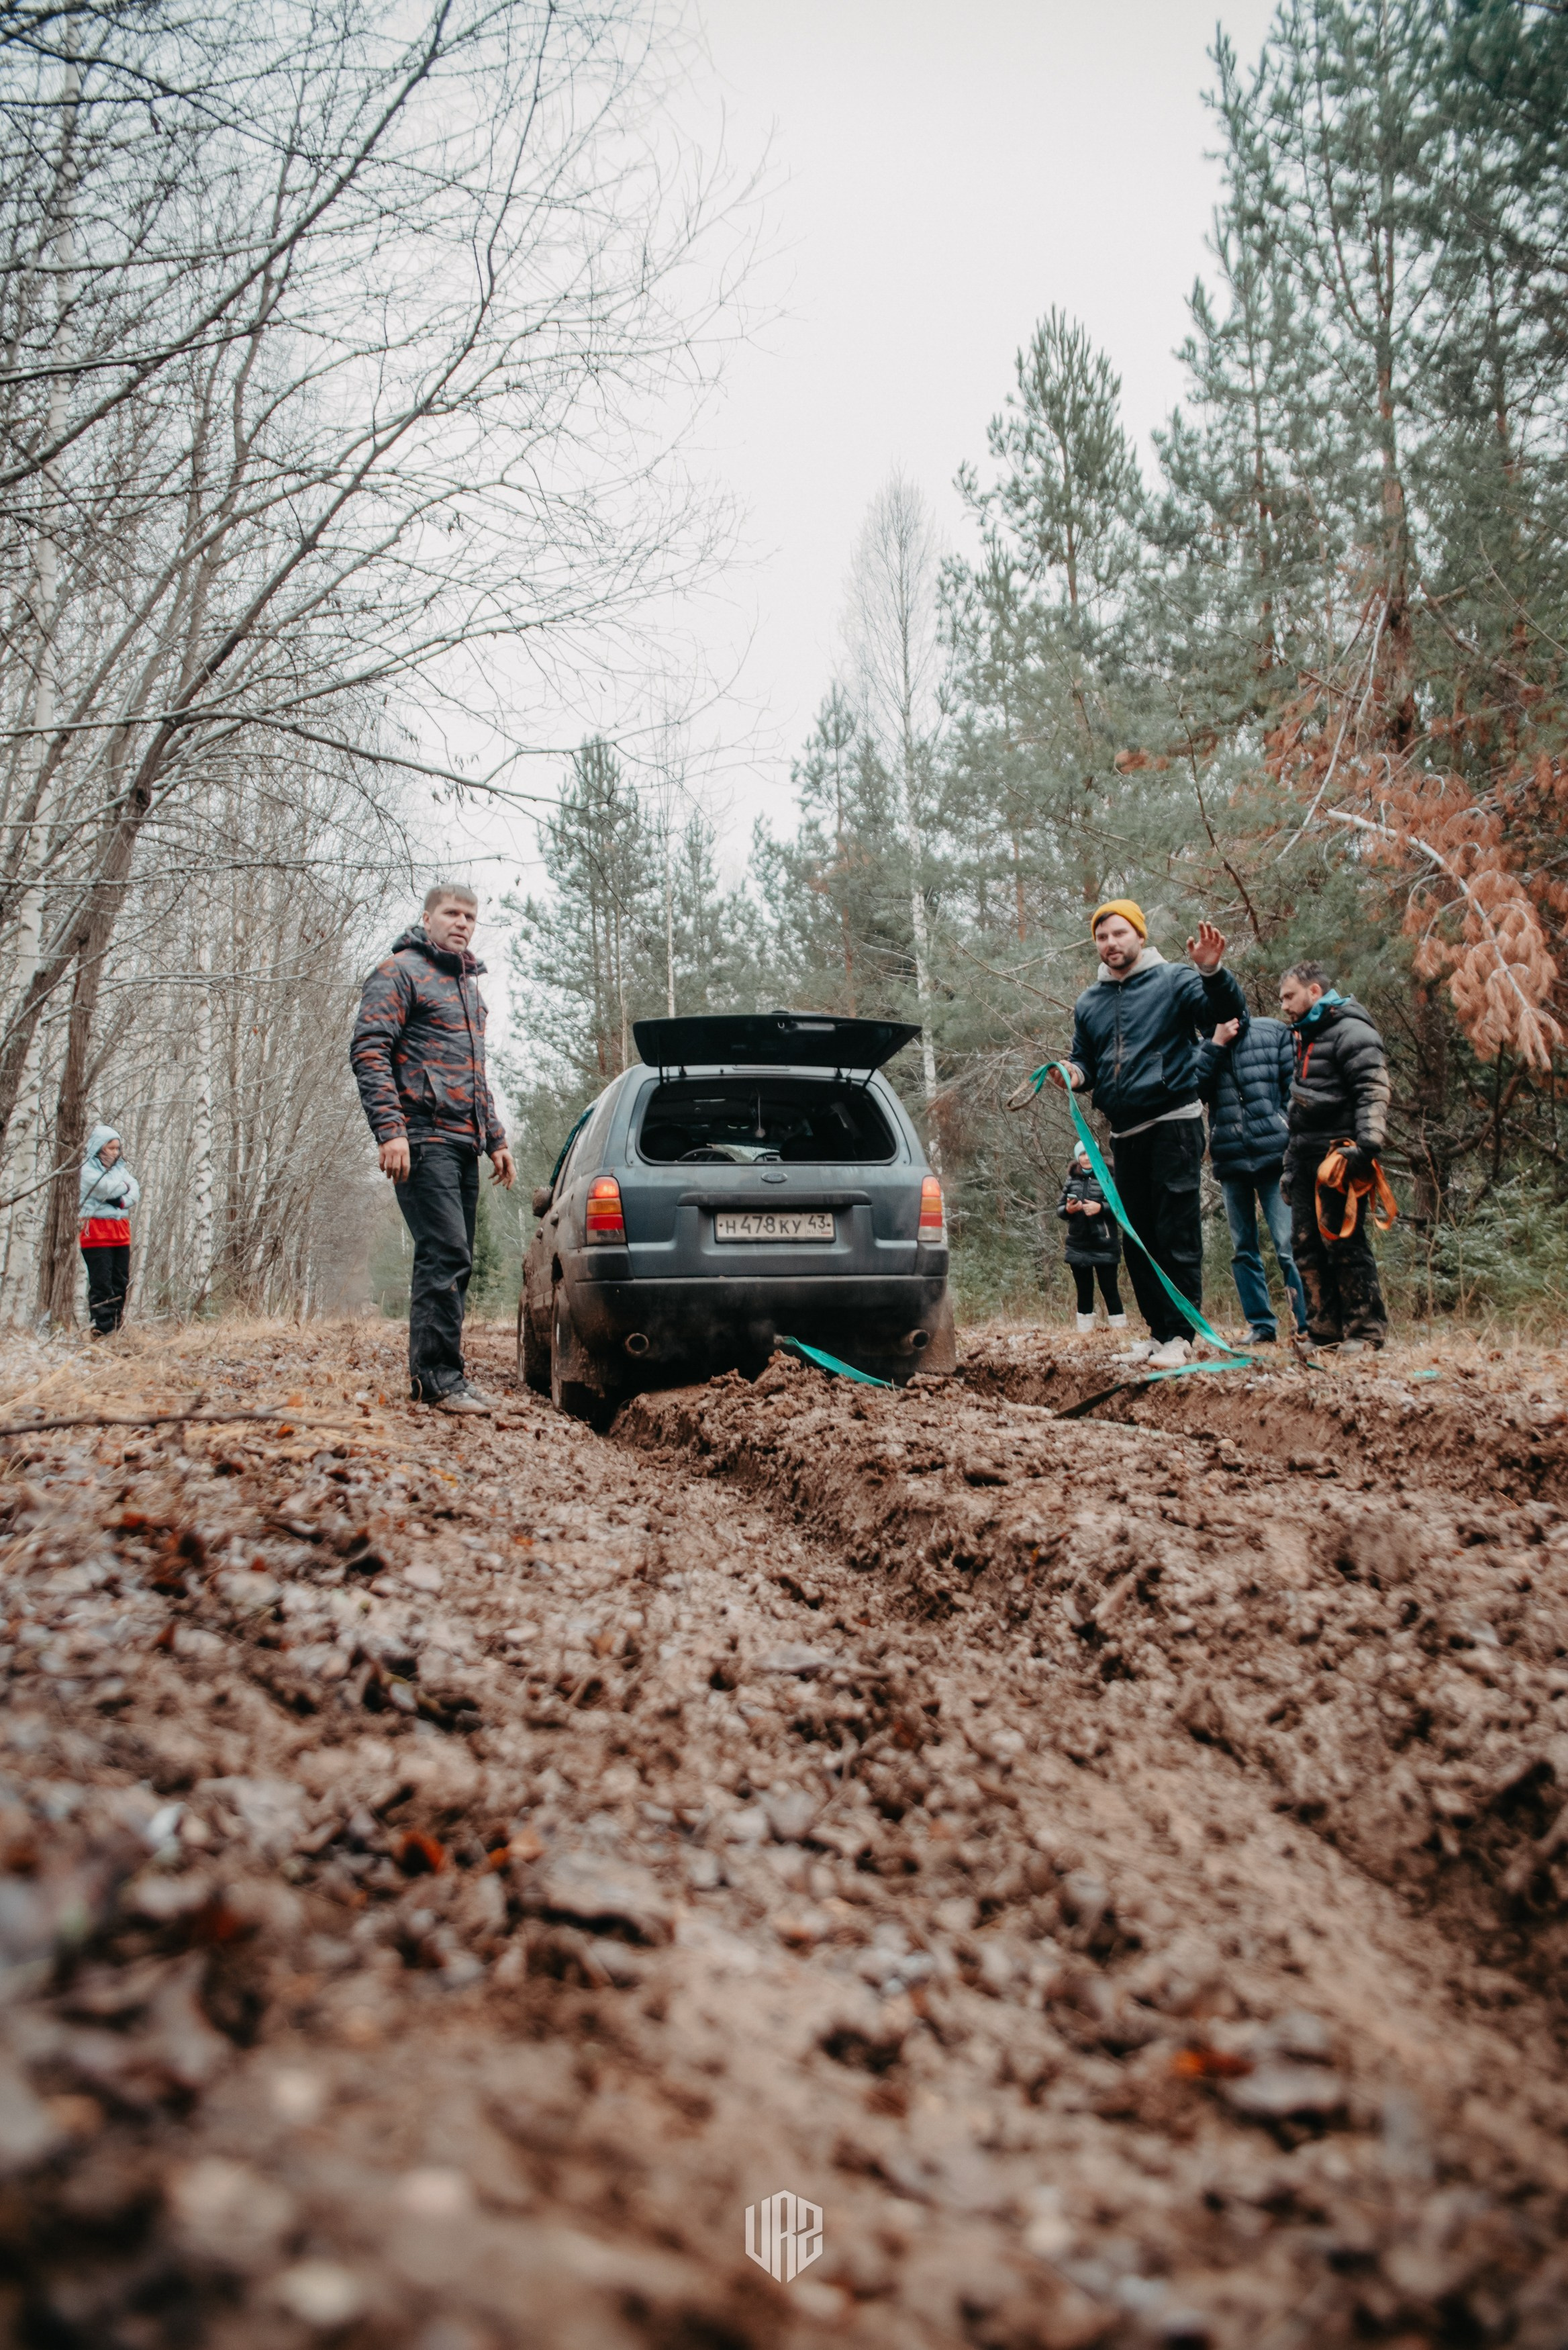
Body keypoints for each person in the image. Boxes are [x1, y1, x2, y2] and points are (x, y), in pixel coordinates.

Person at [1052, 900, 1246, 1370]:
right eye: (1102, 937)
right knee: (1137, 1239)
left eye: (1120, 933)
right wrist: (1070, 1074)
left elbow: (1225, 1013)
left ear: (1140, 935)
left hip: (1173, 1123)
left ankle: (1182, 1335)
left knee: (1176, 1233)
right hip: (1125, 1133)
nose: (1111, 943)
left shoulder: (1175, 980)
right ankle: (1158, 1335)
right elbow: (1087, 1063)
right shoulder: (1089, 1002)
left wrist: (1212, 971)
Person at [350, 885, 516, 1412]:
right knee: (443, 1252)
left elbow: (475, 1073)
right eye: (452, 913)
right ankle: (436, 1380)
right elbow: (370, 1050)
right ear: (427, 918)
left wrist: (496, 1138)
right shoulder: (399, 971)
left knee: (457, 1258)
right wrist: (391, 1131)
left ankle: (444, 1375)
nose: (462, 922)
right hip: (422, 1136)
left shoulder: (468, 988)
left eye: (470, 916)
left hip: (464, 1142)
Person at [1278, 961, 1391, 1354]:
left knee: (1345, 1246)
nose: (1284, 1006)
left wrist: (1367, 1146)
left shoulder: (1353, 1032)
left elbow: (1372, 1089)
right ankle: (1324, 1331)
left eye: (1289, 996)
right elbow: (1297, 1110)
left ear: (1314, 992)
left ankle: (1366, 1332)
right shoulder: (1303, 1036)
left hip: (1339, 1158)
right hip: (1305, 1157)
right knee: (1305, 1247)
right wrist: (1290, 1166)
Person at [1197, 1012, 1309, 1345]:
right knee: (1243, 1248)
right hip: (1231, 1158)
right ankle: (1261, 1326)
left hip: (1276, 1156)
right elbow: (1195, 1091)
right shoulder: (1203, 1046)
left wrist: (1284, 1126)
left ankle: (1306, 1324)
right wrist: (1216, 1045)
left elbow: (1294, 1087)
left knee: (1288, 1244)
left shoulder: (1272, 1031)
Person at [1056, 1141, 1127, 1334]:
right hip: (1078, 1244)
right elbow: (1060, 1210)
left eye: (1090, 1153)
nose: (1086, 1157)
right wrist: (1069, 1209)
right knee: (1084, 1290)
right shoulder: (1072, 1179)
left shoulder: (1109, 1177)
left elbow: (1120, 1209)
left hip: (1105, 1243)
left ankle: (1119, 1332)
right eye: (1082, 1154)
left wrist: (1100, 1208)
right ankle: (1085, 1333)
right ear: (1077, 1157)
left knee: (1109, 1289)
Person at [79, 1123, 140, 1336]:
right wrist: (123, 1188)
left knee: (120, 1281)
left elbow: (135, 1191)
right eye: (111, 1148)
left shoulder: (120, 1169)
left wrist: (121, 1200)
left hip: (120, 1232)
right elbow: (106, 1189)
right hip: (96, 1231)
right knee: (102, 1283)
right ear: (99, 1147)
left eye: (117, 1148)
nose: (115, 1153)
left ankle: (115, 1326)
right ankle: (102, 1330)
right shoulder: (87, 1170)